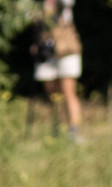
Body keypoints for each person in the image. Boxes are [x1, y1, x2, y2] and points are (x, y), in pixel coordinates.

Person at [34, 0, 84, 143]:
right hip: (45, 46)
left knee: (68, 91)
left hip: (65, 46)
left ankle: (73, 131)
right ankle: (55, 128)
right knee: (51, 91)